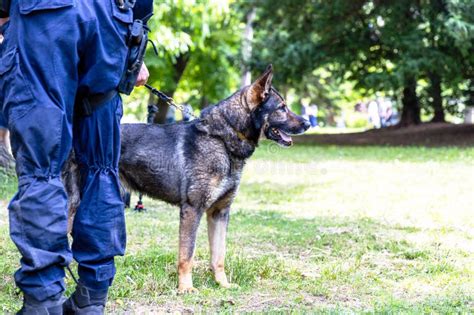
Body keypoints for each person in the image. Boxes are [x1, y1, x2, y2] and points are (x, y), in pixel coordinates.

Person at [0, 1, 150, 313]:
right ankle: (91, 298)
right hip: (112, 17)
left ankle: (43, 302)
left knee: (42, 171)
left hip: (43, 16)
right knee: (101, 167)